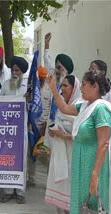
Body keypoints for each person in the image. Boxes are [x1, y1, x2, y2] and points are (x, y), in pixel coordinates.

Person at [47, 71, 111, 213]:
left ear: (95, 87)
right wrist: (52, 88)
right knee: (80, 204)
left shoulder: (101, 109)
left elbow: (104, 144)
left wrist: (95, 175)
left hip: (92, 167)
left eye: (83, 84)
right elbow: (63, 108)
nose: (80, 88)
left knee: (93, 205)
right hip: (80, 167)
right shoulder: (84, 106)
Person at [45, 75, 81, 214]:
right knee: (61, 191)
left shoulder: (79, 107)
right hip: (61, 155)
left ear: (74, 88)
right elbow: (58, 123)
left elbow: (81, 136)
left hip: (74, 156)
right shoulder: (61, 106)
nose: (63, 88)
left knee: (72, 192)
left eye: (66, 86)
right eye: (62, 85)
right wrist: (54, 132)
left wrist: (63, 135)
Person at [0, 56, 28, 204]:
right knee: (7, 159)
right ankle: (8, 191)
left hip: (21, 130)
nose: (14, 73)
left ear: (22, 72)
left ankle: (20, 192)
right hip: (6, 130)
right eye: (13, 70)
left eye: (17, 70)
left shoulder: (27, 87)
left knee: (21, 160)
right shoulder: (5, 85)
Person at [37, 66, 52, 136]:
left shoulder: (50, 89)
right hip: (32, 124)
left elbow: (51, 108)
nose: (41, 81)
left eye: (43, 79)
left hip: (44, 124)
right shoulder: (31, 88)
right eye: (39, 79)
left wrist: (47, 123)